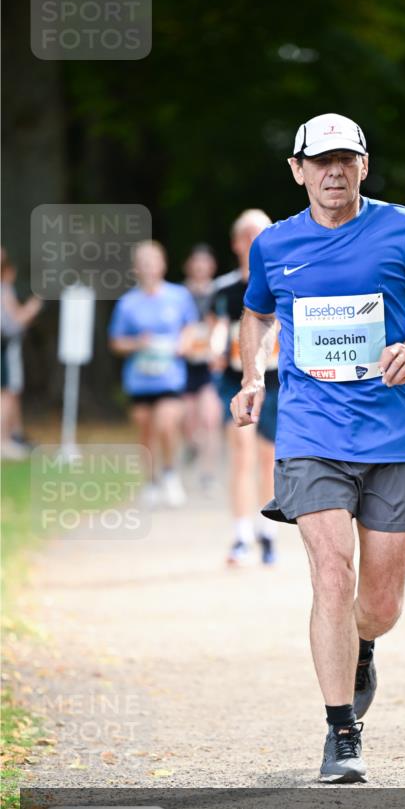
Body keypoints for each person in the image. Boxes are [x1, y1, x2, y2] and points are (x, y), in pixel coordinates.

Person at [230, 113, 405, 783]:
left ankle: (362, 647)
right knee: (332, 574)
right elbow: (256, 310)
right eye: (319, 161)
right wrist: (252, 376)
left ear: (363, 166)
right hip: (310, 433)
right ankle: (341, 733)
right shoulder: (274, 244)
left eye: (345, 160)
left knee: (380, 605)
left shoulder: (401, 228)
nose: (333, 172)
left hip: (391, 434)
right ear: (297, 170)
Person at [108, 240, 198, 507]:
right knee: (145, 430)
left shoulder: (178, 296)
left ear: (162, 264)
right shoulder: (127, 303)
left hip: (169, 375)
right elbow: (115, 341)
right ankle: (150, 481)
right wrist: (138, 343)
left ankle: (170, 473)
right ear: (136, 268)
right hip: (139, 378)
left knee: (166, 424)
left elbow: (191, 327)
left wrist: (183, 343)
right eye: (143, 263)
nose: (148, 267)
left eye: (152, 261)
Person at [214, 210, 280, 566]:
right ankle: (241, 534)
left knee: (268, 457)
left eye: (262, 234)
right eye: (250, 235)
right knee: (241, 451)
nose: (256, 242)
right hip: (234, 378)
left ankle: (267, 533)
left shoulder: (284, 281)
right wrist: (210, 348)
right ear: (237, 242)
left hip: (274, 380)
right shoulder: (223, 290)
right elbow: (210, 331)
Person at [180, 244, 223, 492]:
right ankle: (192, 445)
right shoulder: (178, 294)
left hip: (209, 364)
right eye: (195, 262)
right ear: (188, 266)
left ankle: (208, 474)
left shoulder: (220, 292)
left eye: (204, 262)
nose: (199, 267)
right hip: (184, 364)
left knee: (210, 419)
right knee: (187, 419)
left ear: (211, 266)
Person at [1, 248, 43, 460]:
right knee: (7, 393)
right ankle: (4, 440)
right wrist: (32, 309)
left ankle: (13, 436)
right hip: (5, 349)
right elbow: (11, 326)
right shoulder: (4, 290)